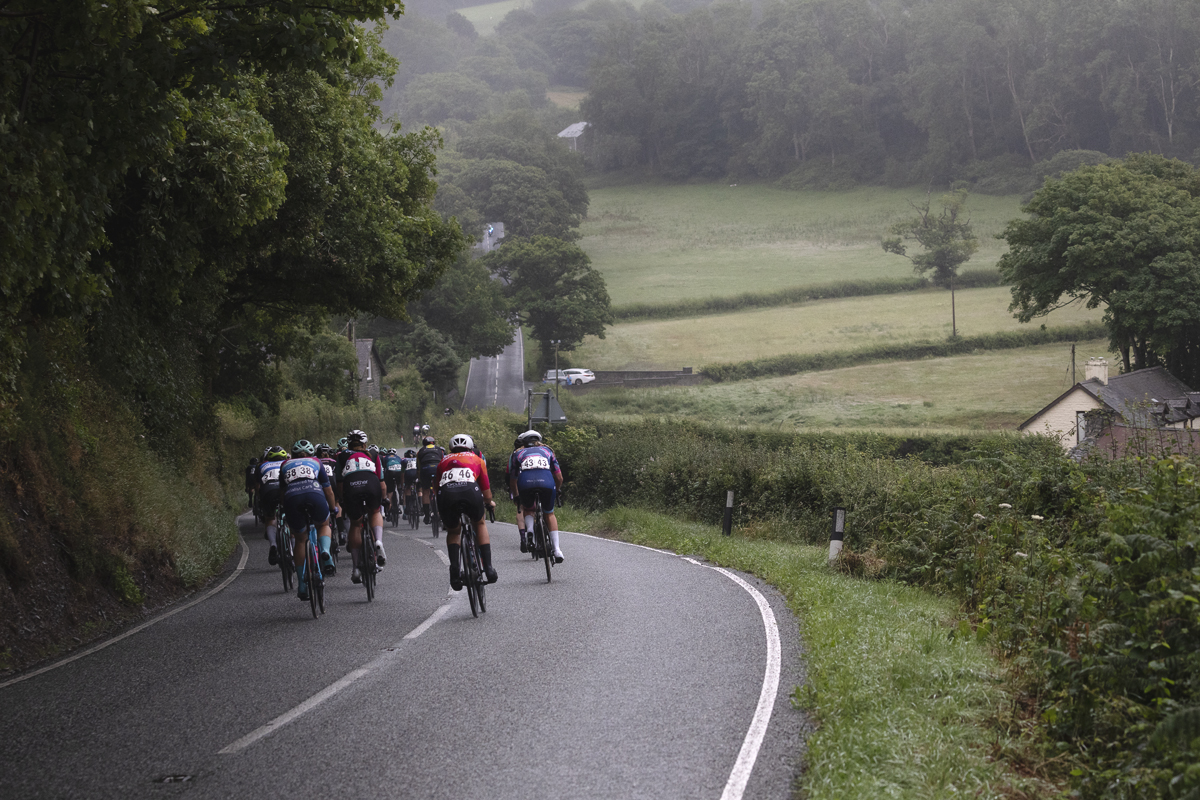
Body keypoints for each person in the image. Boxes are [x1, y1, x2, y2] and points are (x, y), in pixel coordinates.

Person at [278, 440, 339, 600]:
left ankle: (302, 585)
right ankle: (326, 553)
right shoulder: (316, 462)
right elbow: (328, 490)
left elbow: (282, 493)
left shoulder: (284, 465)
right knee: (324, 524)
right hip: (315, 495)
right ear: (311, 453)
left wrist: (287, 510)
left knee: (299, 539)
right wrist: (333, 509)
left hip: (292, 498)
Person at [436, 433, 498, 589]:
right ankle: (489, 569)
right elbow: (487, 493)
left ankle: (455, 572)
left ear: (451, 448)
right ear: (471, 447)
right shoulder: (477, 459)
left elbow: (436, 488)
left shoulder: (442, 461)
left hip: (447, 494)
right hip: (471, 491)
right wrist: (489, 502)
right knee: (479, 522)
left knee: (454, 531)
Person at [335, 429, 386, 583]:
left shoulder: (341, 456)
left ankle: (356, 567)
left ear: (349, 444)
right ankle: (378, 541)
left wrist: (343, 500)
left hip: (352, 487)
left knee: (356, 524)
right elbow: (382, 483)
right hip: (371, 485)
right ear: (365, 443)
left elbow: (340, 483)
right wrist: (383, 500)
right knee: (375, 513)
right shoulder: (373, 454)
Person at [510, 429, 565, 563]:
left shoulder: (517, 453)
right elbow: (559, 477)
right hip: (546, 482)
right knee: (549, 514)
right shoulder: (547, 451)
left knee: (528, 509)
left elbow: (513, 479)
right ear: (538, 441)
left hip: (525, 483)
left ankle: (530, 530)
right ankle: (557, 550)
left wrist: (516, 495)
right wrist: (557, 490)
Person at [258, 446, 289, 565]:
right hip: (284, 490)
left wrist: (260, 501)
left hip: (268, 491)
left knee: (270, 519)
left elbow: (258, 486)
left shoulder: (262, 465)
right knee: (291, 519)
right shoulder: (287, 463)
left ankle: (273, 544)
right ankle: (291, 548)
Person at [316, 443, 345, 544]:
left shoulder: (316, 462)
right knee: (336, 503)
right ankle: (341, 531)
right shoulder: (333, 461)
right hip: (333, 483)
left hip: (319, 484)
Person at [504, 436, 529, 551]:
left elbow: (508, 472)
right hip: (533, 479)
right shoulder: (534, 451)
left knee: (520, 509)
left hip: (517, 482)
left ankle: (523, 538)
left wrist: (510, 487)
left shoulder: (514, 455)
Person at [415, 435, 445, 524]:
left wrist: (420, 478)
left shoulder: (420, 451)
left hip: (425, 469)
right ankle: (440, 513)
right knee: (439, 490)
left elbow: (419, 467)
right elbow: (443, 462)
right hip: (437, 468)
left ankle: (427, 516)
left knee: (426, 491)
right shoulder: (439, 450)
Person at [382, 447, 404, 516]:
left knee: (390, 491)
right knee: (398, 483)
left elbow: (383, 468)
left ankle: (389, 507)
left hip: (389, 473)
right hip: (398, 472)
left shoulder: (385, 457)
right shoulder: (398, 457)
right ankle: (401, 494)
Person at [401, 448, 420, 524]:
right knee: (419, 489)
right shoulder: (417, 459)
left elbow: (402, 473)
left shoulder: (404, 460)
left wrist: (403, 484)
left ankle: (407, 508)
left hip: (408, 474)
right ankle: (420, 505)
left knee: (408, 488)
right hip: (416, 474)